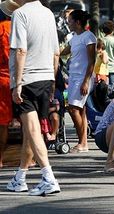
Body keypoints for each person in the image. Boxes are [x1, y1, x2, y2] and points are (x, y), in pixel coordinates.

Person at [7, 0, 60, 196]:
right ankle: (20, 177)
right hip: (46, 77)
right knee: (33, 131)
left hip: (28, 78)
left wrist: (18, 83)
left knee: (31, 129)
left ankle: (48, 177)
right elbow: (56, 52)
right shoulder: (48, 13)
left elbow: (20, 50)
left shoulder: (20, 14)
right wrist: (53, 80)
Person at [60, 10, 96, 153]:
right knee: (79, 109)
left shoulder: (88, 36)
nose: (68, 24)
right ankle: (84, 143)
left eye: (70, 21)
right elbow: (64, 51)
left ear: (78, 22)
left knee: (73, 108)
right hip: (74, 77)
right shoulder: (74, 37)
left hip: (83, 78)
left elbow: (92, 60)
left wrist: (86, 81)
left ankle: (82, 142)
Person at [0, 0, 21, 168]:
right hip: (24, 78)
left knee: (2, 122)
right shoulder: (23, 28)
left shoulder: (2, 29)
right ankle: (29, 159)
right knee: (29, 121)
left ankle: (0, 158)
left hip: (3, 79)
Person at [100, 20, 114, 87]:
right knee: (112, 83)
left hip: (103, 66)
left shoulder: (101, 40)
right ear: (113, 30)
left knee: (103, 82)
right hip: (112, 66)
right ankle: (111, 95)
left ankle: (104, 94)